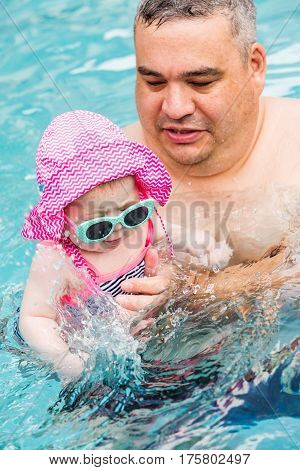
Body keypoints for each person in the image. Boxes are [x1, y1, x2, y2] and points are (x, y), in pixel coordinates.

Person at [115, 0, 300, 313]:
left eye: (201, 82)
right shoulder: (107, 169)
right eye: (154, 82)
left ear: (254, 66)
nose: (175, 108)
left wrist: (191, 291)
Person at [18, 110, 175, 380]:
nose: (119, 230)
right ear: (63, 222)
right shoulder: (59, 259)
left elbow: (173, 256)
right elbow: (34, 319)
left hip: (143, 332)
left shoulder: (150, 224)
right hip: (91, 344)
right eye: (98, 227)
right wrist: (67, 361)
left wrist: (169, 273)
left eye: (132, 213)